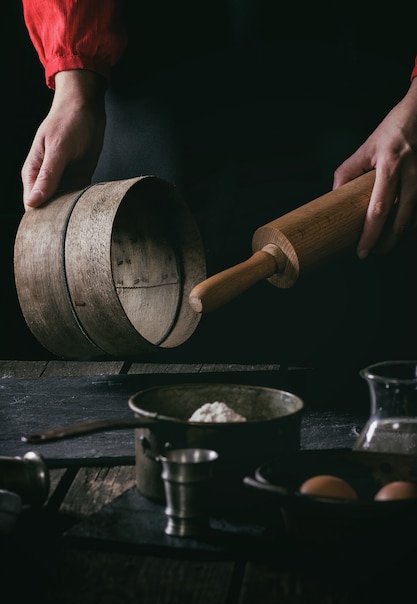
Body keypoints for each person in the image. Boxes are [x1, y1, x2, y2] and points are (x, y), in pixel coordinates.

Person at [18, 0, 417, 400]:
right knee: (122, 376)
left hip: (349, 91)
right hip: (144, 88)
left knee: (344, 351)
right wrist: (74, 80)